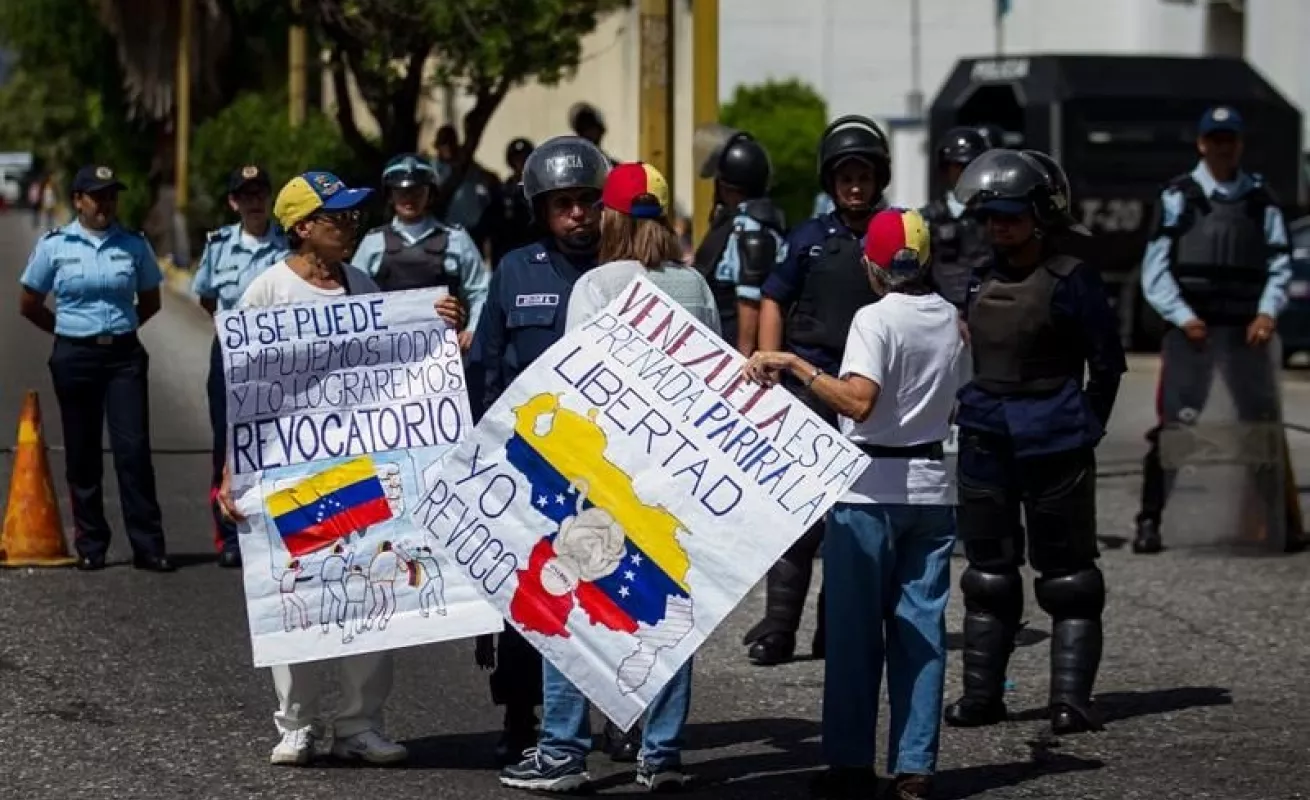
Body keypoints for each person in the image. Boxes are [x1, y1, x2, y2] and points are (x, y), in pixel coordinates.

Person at [215, 170, 467, 766]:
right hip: (293, 473)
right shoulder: (267, 292)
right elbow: (242, 394)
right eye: (338, 217)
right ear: (303, 227)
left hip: (361, 466)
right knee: (298, 589)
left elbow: (392, 362)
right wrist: (232, 471)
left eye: (354, 216)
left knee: (373, 587)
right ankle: (295, 724)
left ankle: (360, 724)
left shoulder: (360, 282)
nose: (352, 226)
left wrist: (437, 324)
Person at [500, 162, 712, 794]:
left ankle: (564, 749)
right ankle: (661, 754)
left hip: (605, 478)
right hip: (673, 482)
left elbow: (575, 386)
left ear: (612, 217)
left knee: (568, 600)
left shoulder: (595, 285)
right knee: (672, 612)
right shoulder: (696, 285)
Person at [743, 208, 967, 800]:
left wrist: (794, 363)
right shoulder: (949, 318)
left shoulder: (874, 319)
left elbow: (859, 402)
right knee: (920, 633)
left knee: (853, 636)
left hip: (868, 492)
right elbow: (952, 405)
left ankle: (849, 763)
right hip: (930, 489)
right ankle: (916, 766)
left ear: (872, 263)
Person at [944, 148, 1125, 735]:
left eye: (1012, 215)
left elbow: (1108, 365)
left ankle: (1070, 701)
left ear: (1041, 216)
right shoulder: (977, 275)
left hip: (1054, 440)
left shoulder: (1073, 280)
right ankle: (983, 696)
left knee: (1069, 577)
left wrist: (1086, 426)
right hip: (986, 437)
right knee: (988, 575)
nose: (1000, 225)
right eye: (991, 215)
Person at [466, 135, 614, 766]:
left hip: (610, 466)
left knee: (608, 598)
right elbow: (486, 362)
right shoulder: (515, 270)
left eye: (586, 201)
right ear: (542, 211)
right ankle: (520, 712)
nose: (577, 214)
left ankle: (614, 717)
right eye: (563, 204)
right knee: (531, 596)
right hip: (529, 465)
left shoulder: (624, 271)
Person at [744, 115, 893, 667]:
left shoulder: (895, 234)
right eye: (845, 176)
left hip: (866, 396)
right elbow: (772, 298)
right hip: (808, 390)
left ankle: (837, 631)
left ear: (880, 178)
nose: (855, 186)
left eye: (864, 175)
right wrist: (768, 369)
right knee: (800, 521)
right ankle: (778, 630)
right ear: (830, 182)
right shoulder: (808, 239)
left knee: (854, 522)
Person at [1133, 105, 1291, 554]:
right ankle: (1151, 520)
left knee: (1257, 428)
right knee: (1177, 429)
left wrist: (1266, 312)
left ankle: (1269, 521)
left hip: (1246, 334)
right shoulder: (1179, 196)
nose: (1223, 146)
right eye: (1215, 138)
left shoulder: (1261, 199)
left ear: (1239, 144)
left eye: (1230, 138)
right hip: (1192, 335)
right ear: (1202, 143)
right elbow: (1155, 270)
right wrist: (1184, 317)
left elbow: (1280, 264)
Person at [17, 164, 173, 573]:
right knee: (83, 452)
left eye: (111, 195)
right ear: (78, 200)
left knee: (133, 451)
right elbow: (29, 302)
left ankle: (149, 545)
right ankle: (91, 543)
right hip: (75, 356)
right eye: (97, 195)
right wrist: (68, 331)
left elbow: (150, 301)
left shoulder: (134, 245)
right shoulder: (55, 245)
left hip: (123, 357)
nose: (105, 204)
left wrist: (118, 329)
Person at [192, 164, 288, 568]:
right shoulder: (217, 246)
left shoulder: (287, 245)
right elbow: (207, 296)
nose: (254, 201)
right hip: (231, 354)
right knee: (228, 445)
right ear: (233, 202)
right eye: (245, 195)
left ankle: (278, 530)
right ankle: (230, 535)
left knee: (278, 443)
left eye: (260, 193)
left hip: (279, 359)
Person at [351, 153, 489, 352]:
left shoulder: (456, 238)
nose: (409, 198)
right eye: (401, 191)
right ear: (389, 195)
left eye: (417, 191)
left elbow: (480, 291)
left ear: (430, 194)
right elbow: (354, 298)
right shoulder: (373, 242)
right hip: (386, 352)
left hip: (444, 354)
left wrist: (472, 330)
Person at [691, 128, 786, 354]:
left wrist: (741, 359)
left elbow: (749, 301)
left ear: (726, 187)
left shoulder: (751, 227)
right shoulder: (743, 220)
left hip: (731, 339)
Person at [921, 127, 992, 309]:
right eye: (961, 167)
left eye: (973, 166)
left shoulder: (996, 216)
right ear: (946, 169)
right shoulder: (926, 220)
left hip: (988, 307)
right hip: (941, 310)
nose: (968, 174)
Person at [491, 137, 539, 266]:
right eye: (517, 159)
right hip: (511, 250)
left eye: (525, 158)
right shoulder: (503, 191)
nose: (521, 163)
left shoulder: (540, 188)